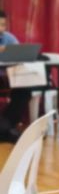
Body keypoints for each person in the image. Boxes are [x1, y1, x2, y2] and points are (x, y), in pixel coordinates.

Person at [0, 10, 30, 142]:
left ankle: (6, 127)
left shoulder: (8, 38)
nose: (2, 28)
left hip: (8, 77)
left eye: (3, 25)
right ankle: (8, 130)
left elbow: (20, 54)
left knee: (25, 89)